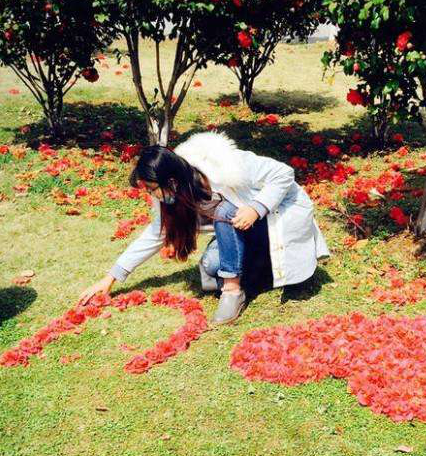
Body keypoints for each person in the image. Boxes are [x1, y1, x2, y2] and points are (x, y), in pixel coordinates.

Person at [77, 131, 330, 325]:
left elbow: (284, 173)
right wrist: (111, 278)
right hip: (244, 232)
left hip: (278, 221)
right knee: (210, 266)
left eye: (153, 189)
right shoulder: (175, 196)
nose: (152, 195)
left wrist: (256, 207)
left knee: (225, 211)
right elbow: (154, 235)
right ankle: (258, 272)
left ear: (172, 181)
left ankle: (233, 291)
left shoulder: (228, 164)